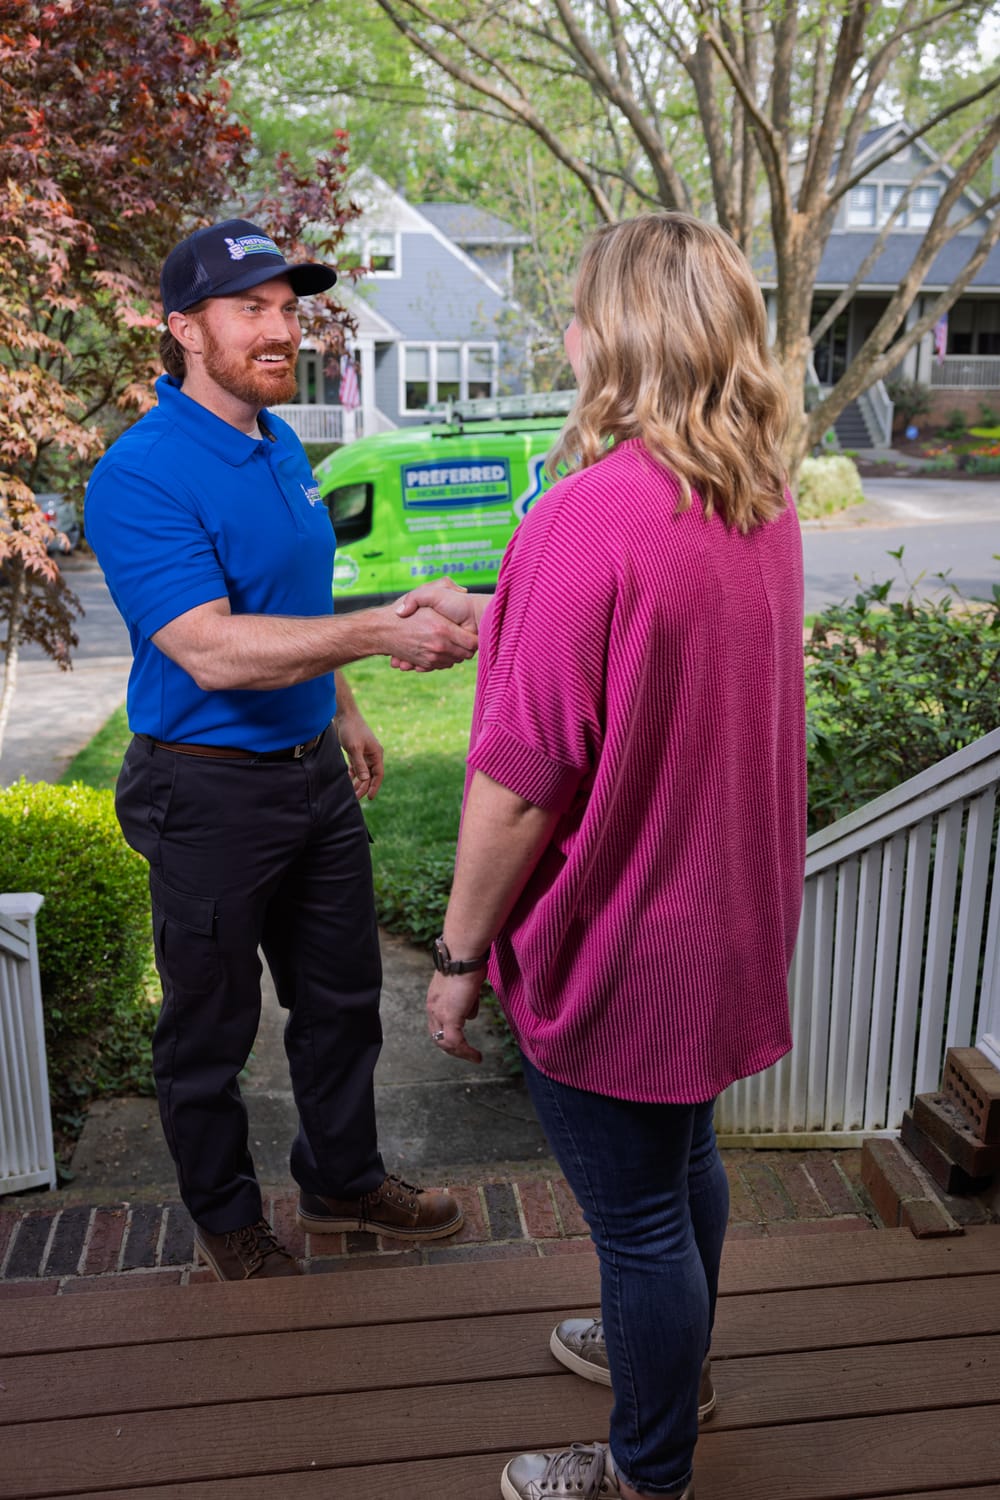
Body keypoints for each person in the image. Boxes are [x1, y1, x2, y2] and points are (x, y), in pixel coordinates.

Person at [422, 214, 806, 1499]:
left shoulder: (589, 517)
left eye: (582, 310)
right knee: (682, 1170)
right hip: (723, 926)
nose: (569, 332)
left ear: (626, 335)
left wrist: (459, 954)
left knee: (640, 1223)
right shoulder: (754, 500)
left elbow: (519, 790)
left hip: (623, 943)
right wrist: (507, 616)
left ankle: (645, 1469)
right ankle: (670, 1369)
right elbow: (657, 660)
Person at [85, 219, 477, 1281]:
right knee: (210, 1034)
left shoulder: (280, 443)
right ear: (182, 328)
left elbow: (289, 601)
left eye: (288, 309)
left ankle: (344, 1183)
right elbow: (211, 649)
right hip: (205, 794)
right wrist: (375, 632)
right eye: (250, 308)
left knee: (343, 1002)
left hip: (309, 779)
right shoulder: (142, 474)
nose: (279, 329)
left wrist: (341, 703)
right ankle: (226, 1220)